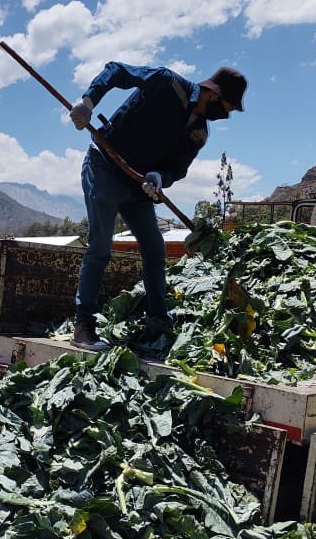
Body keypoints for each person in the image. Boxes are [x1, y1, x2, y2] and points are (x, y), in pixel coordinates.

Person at [67, 62, 247, 351]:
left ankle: (158, 322)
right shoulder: (166, 82)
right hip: (105, 167)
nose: (226, 113)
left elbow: (177, 167)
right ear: (214, 94)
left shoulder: (199, 132)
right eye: (228, 106)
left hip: (138, 185)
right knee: (100, 247)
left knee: (154, 249)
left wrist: (159, 177)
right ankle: (83, 325)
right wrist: (88, 102)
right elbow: (116, 71)